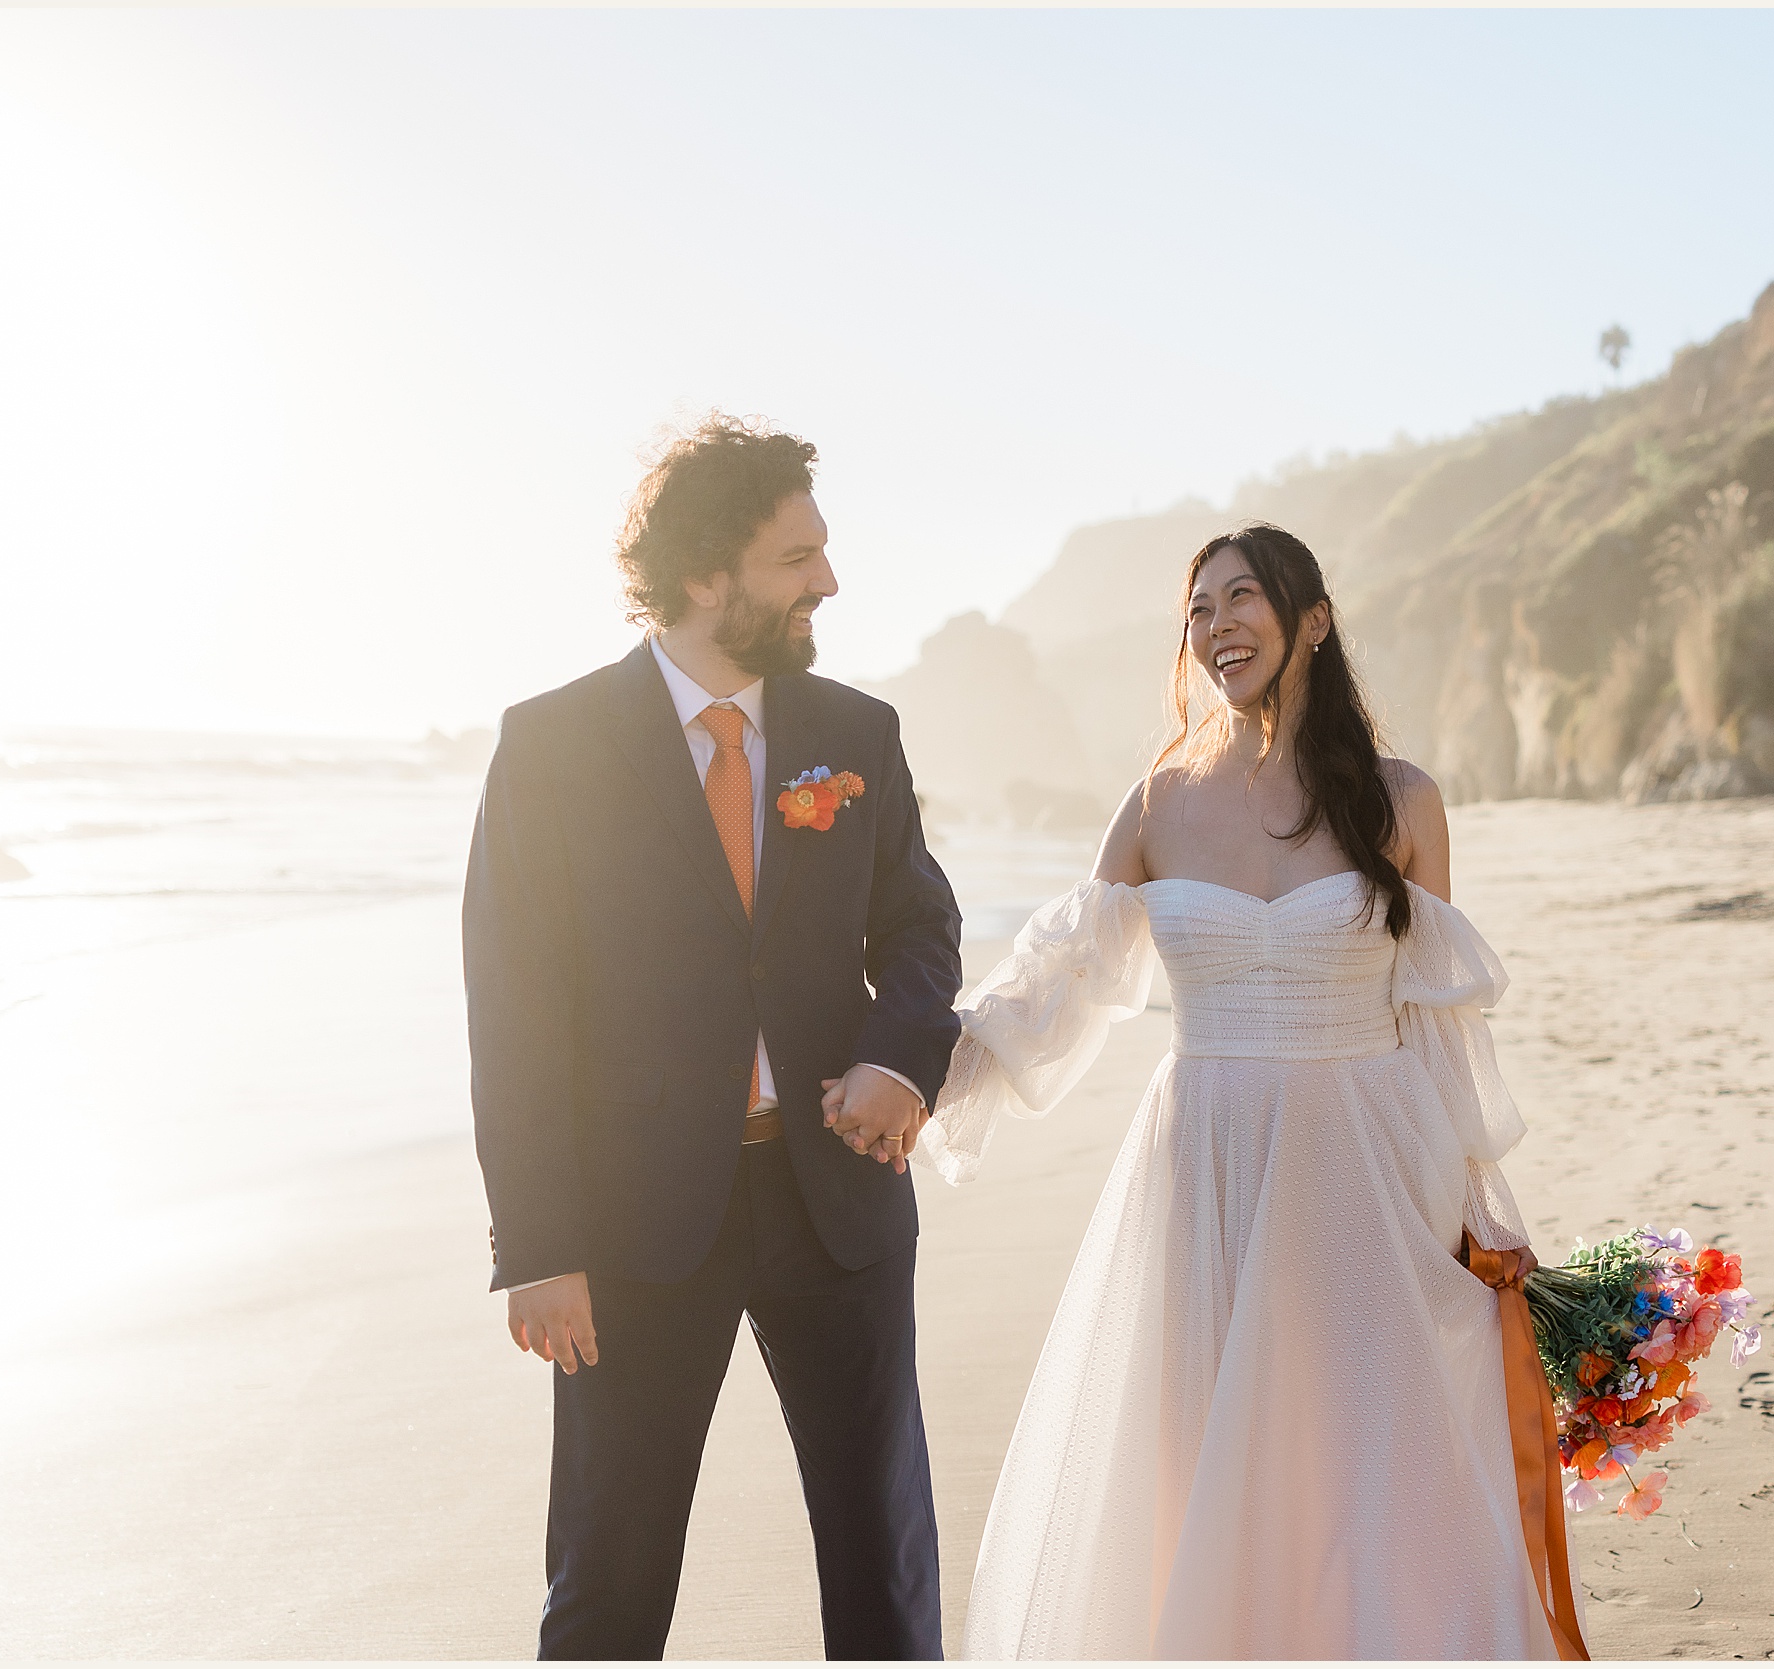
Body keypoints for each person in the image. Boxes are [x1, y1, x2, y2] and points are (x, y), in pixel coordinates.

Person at [855, 522, 1589, 1659]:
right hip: (1204, 1163)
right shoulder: (1158, 800)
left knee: (1362, 1446)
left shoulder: (1400, 800)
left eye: (1241, 598)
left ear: (1312, 622)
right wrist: (918, 1077)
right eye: (1197, 610)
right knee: (1199, 1449)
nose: (1215, 626)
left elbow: (1437, 1021)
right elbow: (1055, 983)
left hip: (1365, 1157)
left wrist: (1484, 1213)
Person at [463, 415, 962, 1660]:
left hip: (836, 1204)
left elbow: (920, 930)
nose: (828, 583)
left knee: (882, 1567)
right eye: (798, 557)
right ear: (705, 575)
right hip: (633, 1228)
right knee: (607, 1580)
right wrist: (539, 1241)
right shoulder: (551, 746)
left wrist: (900, 1058)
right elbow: (513, 1008)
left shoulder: (857, 734)